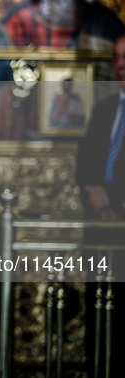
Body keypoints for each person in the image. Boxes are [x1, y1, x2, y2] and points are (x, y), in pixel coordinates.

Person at [76, 34, 125, 376]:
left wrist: (116, 201)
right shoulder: (106, 108)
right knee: (98, 316)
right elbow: (86, 162)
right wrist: (94, 193)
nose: (120, 64)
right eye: (118, 57)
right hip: (99, 231)